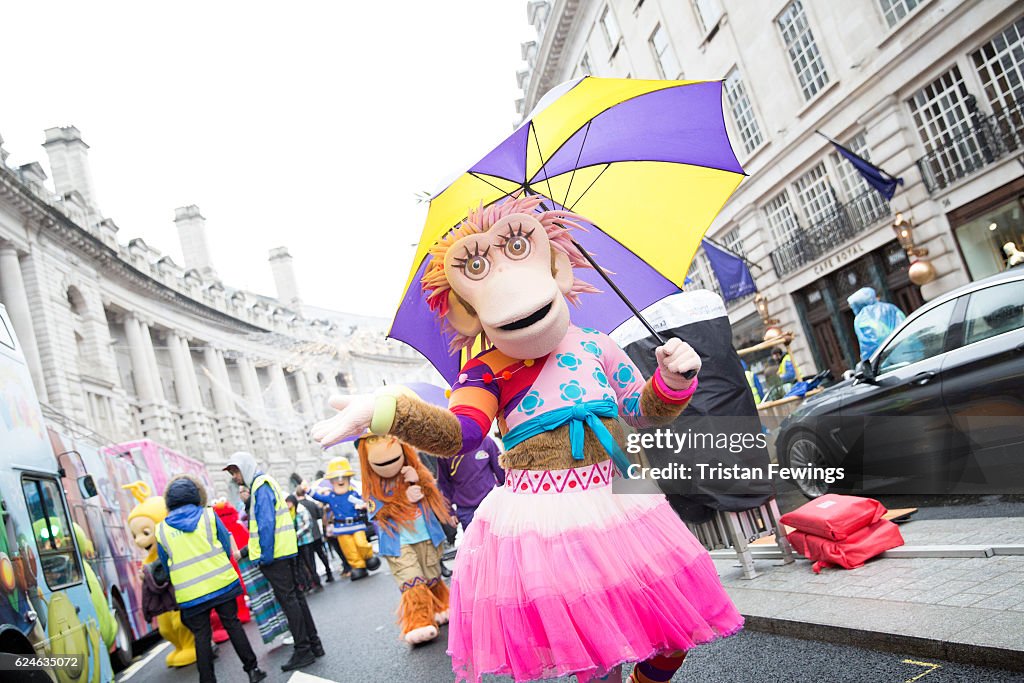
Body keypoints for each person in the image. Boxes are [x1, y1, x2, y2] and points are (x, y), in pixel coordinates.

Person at [312, 196, 743, 682]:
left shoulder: (594, 344)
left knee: (671, 636)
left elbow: (640, 413)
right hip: (548, 518)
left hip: (624, 501)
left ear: (557, 270)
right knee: (594, 654)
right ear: (468, 311)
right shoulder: (484, 370)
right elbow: (460, 435)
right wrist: (389, 409)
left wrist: (673, 379)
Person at [155, 475, 266, 683]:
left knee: (202, 637)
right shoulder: (209, 516)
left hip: (190, 592)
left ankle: (207, 680)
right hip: (221, 583)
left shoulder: (161, 529)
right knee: (233, 625)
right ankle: (252, 670)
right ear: (195, 496)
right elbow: (226, 546)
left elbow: (165, 562)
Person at [224, 452, 322, 673]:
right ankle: (313, 645)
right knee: (296, 598)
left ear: (245, 467)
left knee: (289, 601)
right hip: (283, 551)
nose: (235, 477)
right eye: (232, 473)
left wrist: (265, 555)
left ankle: (304, 649)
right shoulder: (264, 483)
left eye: (235, 471)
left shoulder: (260, 486)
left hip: (275, 555)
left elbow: (266, 524)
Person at [222, 494, 291, 647]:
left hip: (259, 561)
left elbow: (258, 537)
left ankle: (294, 633)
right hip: (262, 560)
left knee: (276, 597)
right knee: (277, 596)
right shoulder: (240, 523)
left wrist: (241, 553)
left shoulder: (236, 524)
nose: (241, 494)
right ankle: (293, 632)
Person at [310, 457, 381, 580]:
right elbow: (317, 497)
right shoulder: (331, 497)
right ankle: (358, 566)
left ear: (348, 479)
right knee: (349, 549)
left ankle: (369, 556)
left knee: (361, 543)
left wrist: (364, 506)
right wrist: (307, 490)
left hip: (356, 524)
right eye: (336, 478)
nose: (340, 480)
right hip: (341, 528)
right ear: (331, 482)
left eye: (343, 477)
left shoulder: (353, 494)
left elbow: (365, 502)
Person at [436, 434, 504, 530]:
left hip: (492, 504)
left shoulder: (485, 441)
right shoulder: (444, 451)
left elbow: (502, 472)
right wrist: (449, 512)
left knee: (500, 540)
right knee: (475, 545)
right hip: (467, 511)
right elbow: (444, 484)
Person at [847, 286, 907, 361]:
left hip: (885, 361)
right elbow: (904, 325)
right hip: (906, 351)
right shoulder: (890, 308)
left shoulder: (861, 318)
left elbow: (867, 346)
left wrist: (868, 363)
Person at [295, 484, 334, 583]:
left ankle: (315, 579)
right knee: (322, 554)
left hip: (306, 537)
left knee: (310, 559)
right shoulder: (311, 503)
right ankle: (329, 572)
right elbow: (319, 515)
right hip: (316, 533)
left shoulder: (298, 507)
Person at [286, 494, 320, 592]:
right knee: (300, 565)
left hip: (305, 540)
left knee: (310, 562)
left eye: (289, 502)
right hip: (297, 542)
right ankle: (308, 584)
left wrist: (297, 534)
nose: (288, 504)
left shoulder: (301, 510)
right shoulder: (289, 513)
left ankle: (316, 581)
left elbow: (308, 524)